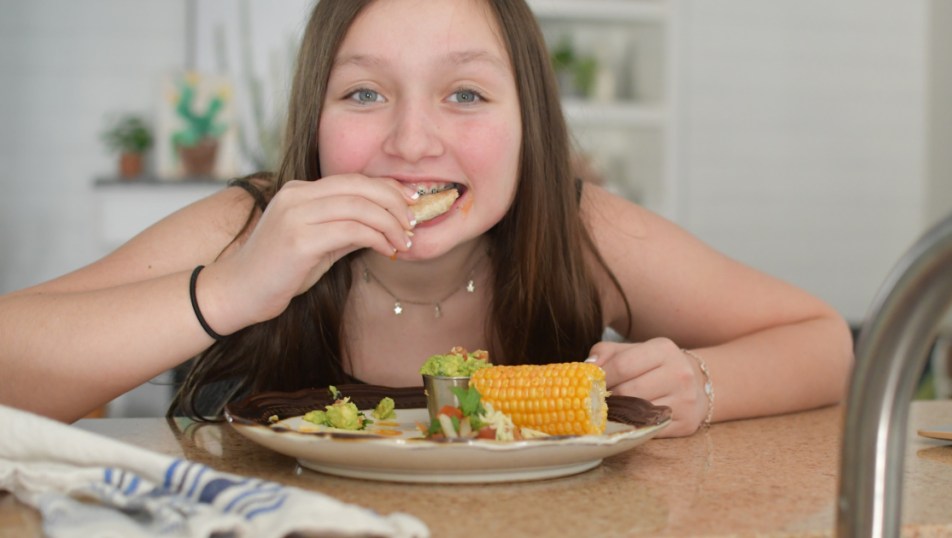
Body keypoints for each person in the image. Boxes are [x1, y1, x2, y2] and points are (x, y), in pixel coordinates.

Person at [0, 0, 852, 437]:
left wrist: (702, 387)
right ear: (314, 120)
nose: (411, 142)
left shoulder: (583, 234)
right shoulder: (245, 226)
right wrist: (224, 291)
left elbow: (824, 339)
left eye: (467, 95)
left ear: (530, 130)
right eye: (364, 93)